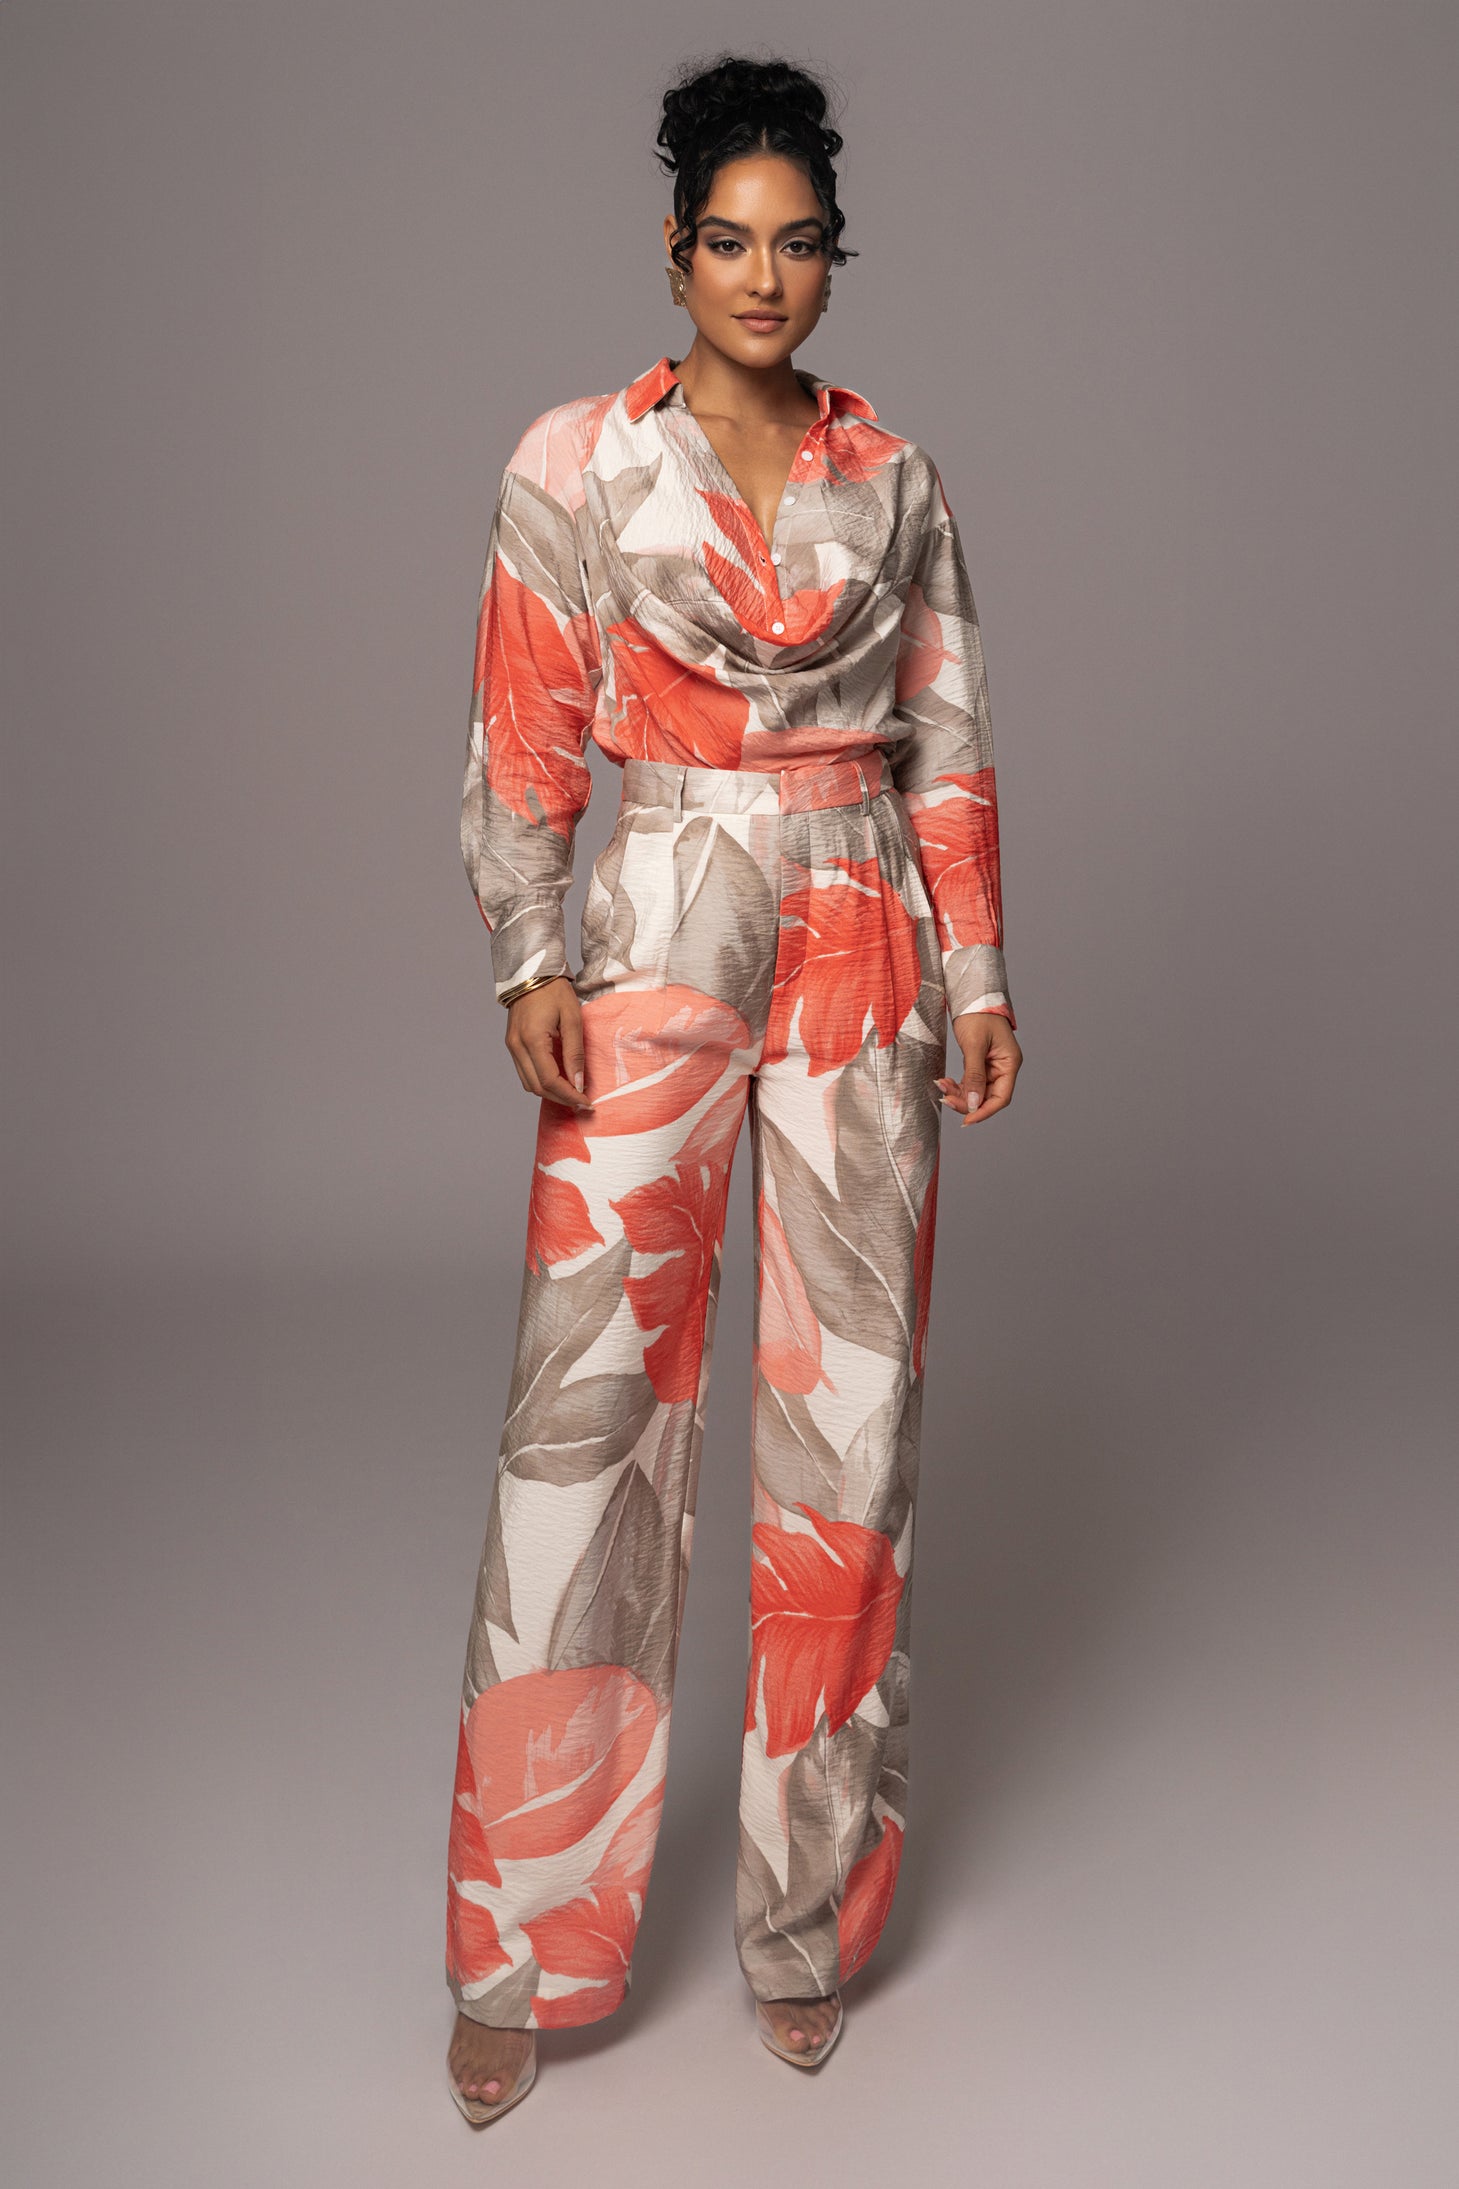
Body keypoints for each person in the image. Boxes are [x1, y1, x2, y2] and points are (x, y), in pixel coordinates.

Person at [445, 51, 1023, 2125]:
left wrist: (978, 971)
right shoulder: (578, 460)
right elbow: (525, 723)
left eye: (798, 245)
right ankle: (521, 1940)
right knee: (584, 1426)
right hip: (661, 920)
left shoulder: (899, 477)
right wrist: (527, 949)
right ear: (674, 250)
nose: (763, 276)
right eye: (728, 241)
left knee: (846, 1438)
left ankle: (802, 1927)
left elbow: (944, 730)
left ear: (832, 259)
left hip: (862, 926)